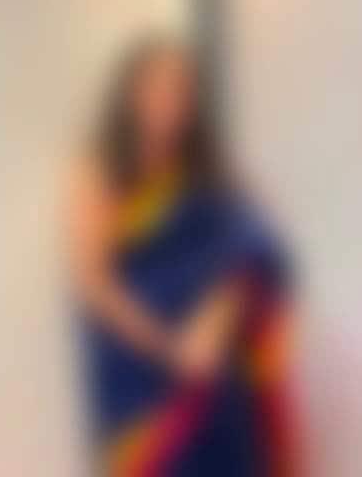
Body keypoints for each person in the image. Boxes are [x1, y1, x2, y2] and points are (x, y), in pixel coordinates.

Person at [67, 36, 297, 476]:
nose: (169, 100)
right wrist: (170, 347)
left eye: (181, 89)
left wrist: (220, 311)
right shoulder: (100, 169)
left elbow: (256, 241)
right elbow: (93, 281)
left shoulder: (208, 168)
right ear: (130, 93)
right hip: (137, 372)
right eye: (157, 86)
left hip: (213, 362)